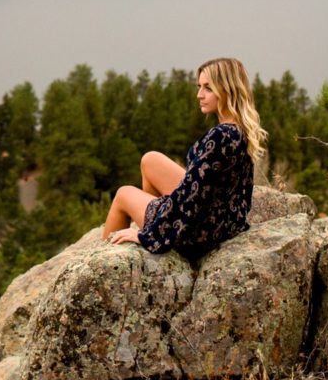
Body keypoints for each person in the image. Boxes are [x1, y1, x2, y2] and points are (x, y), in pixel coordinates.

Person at [101, 57, 268, 255]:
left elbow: (192, 197)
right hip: (223, 223)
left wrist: (149, 236)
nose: (199, 95)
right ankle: (152, 221)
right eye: (199, 86)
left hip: (199, 234)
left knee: (123, 194)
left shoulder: (220, 136)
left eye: (208, 88)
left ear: (227, 89)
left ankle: (102, 258)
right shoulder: (238, 131)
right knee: (150, 160)